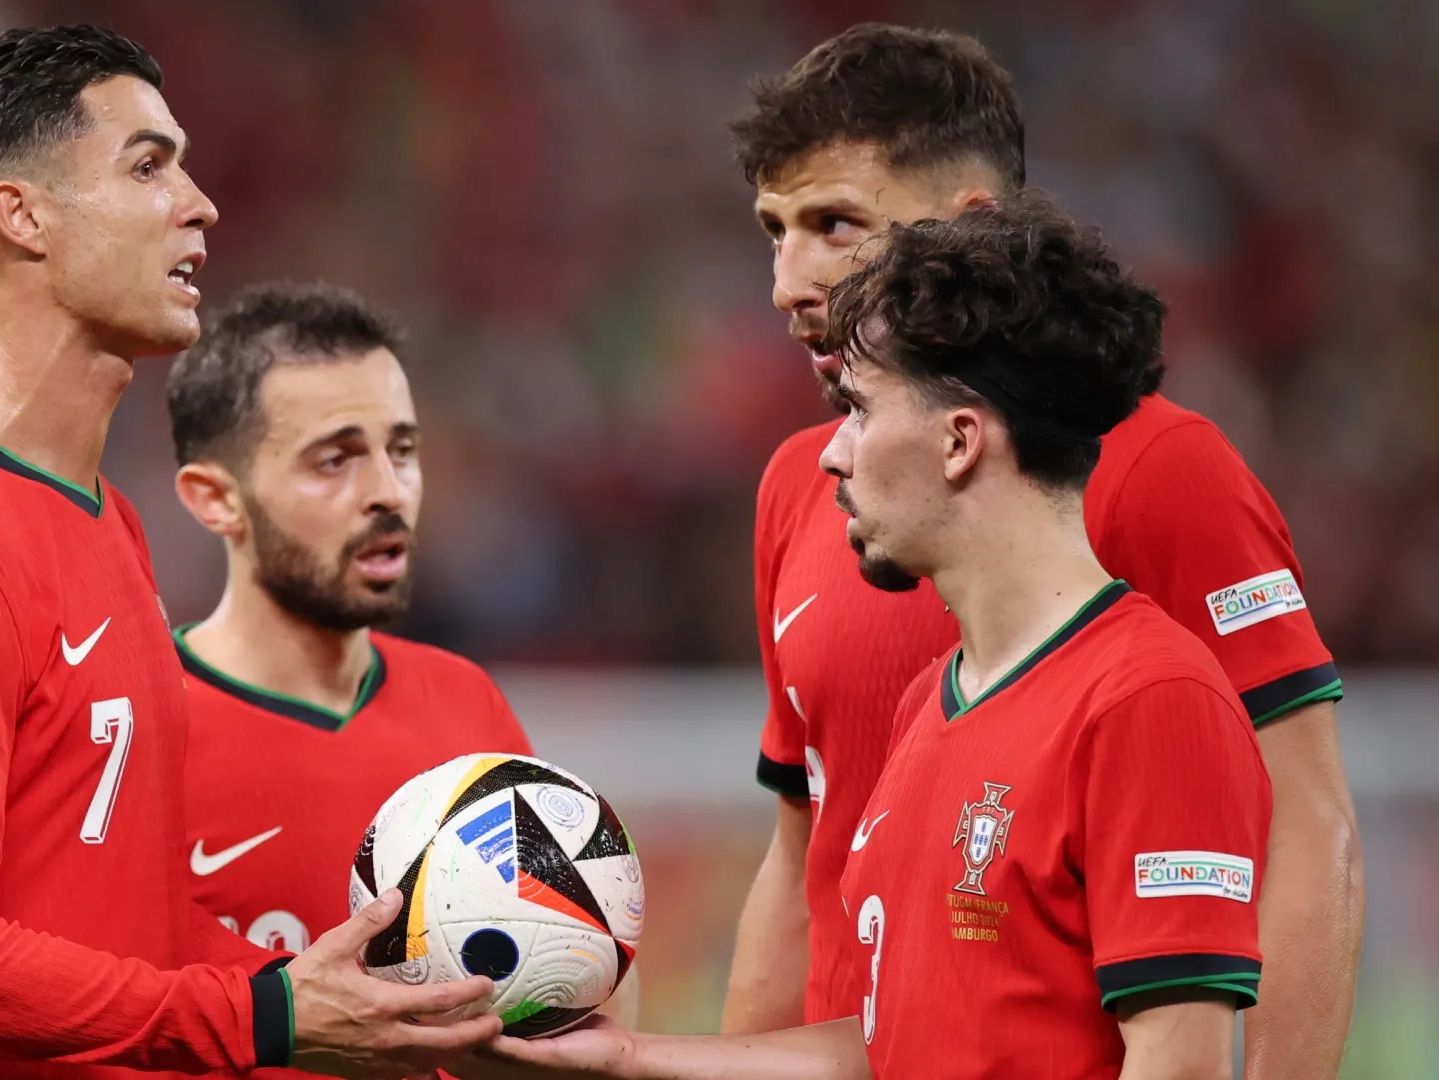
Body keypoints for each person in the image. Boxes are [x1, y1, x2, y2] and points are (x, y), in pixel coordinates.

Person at [0, 26, 500, 1080]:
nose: (199, 204)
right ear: (23, 217)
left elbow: (124, 926)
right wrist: (259, 1017)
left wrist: (342, 1002)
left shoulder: (100, 523)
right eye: (148, 166)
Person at [486, 194, 1270, 1079]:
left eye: (858, 410)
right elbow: (888, 1049)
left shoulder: (1150, 700)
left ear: (959, 441)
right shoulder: (929, 704)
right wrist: (627, 1056)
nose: (833, 453)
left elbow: (1180, 1064)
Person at [717, 25, 1360, 1078]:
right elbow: (800, 861)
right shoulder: (804, 486)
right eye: (774, 229)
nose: (790, 280)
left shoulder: (1161, 470)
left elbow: (1304, 826)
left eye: (837, 224)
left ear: (969, 225)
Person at [164, 281, 533, 961]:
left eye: (401, 451)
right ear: (216, 500)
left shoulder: (466, 706)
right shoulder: (135, 733)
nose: (388, 493)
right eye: (335, 461)